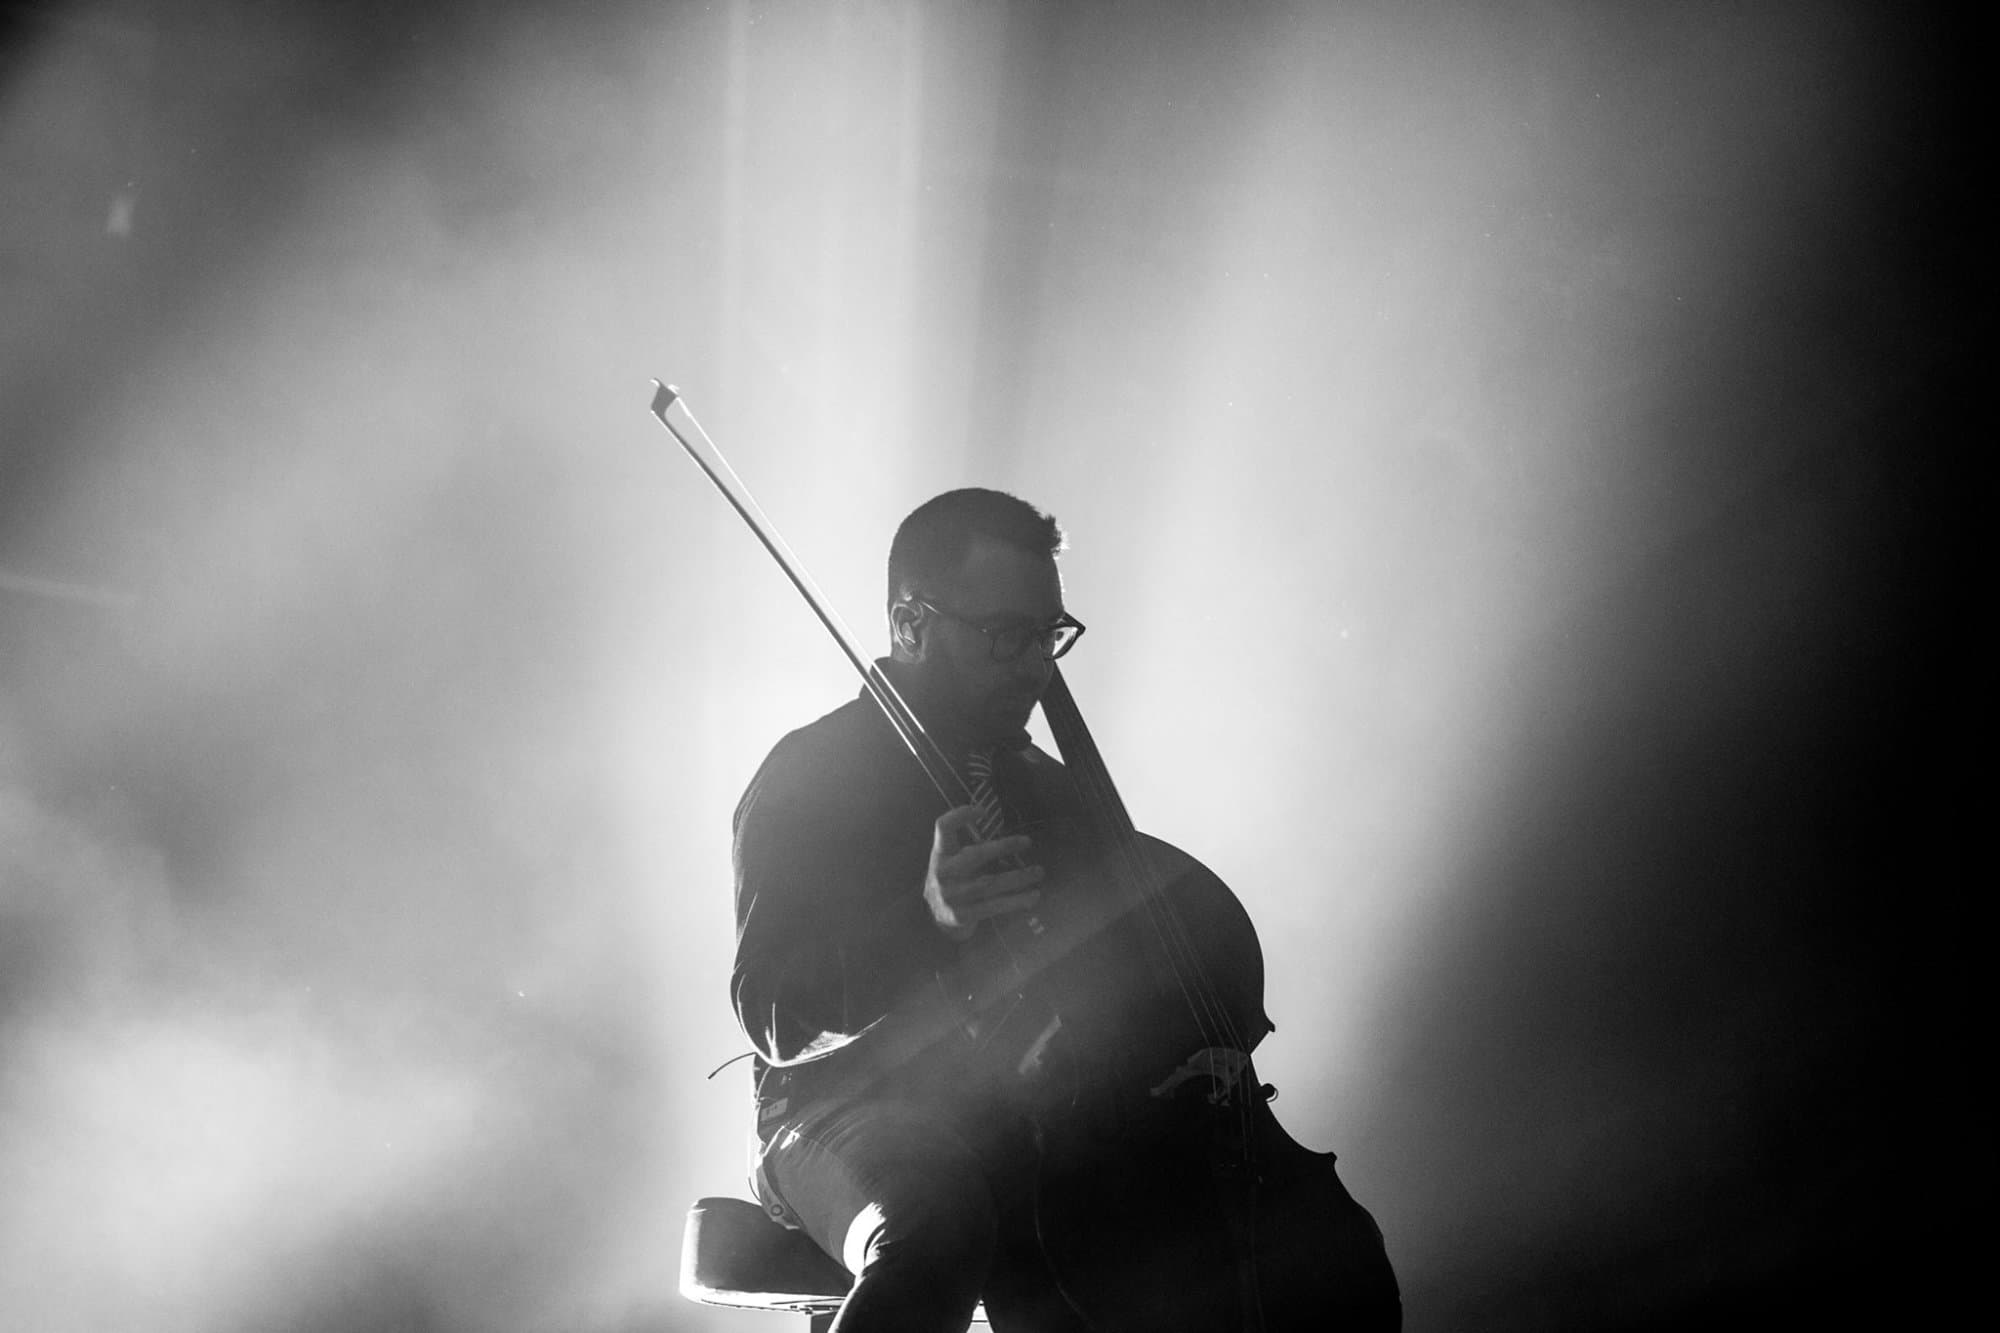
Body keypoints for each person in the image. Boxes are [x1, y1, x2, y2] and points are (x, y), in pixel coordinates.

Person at [730, 488, 1398, 1332]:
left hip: (1006, 1108)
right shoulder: (808, 776)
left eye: (1048, 635)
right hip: (836, 1107)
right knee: (939, 1222)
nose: (1036, 666)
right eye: (1003, 635)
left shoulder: (1053, 795)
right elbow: (774, 1015)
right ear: (910, 623)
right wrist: (928, 919)